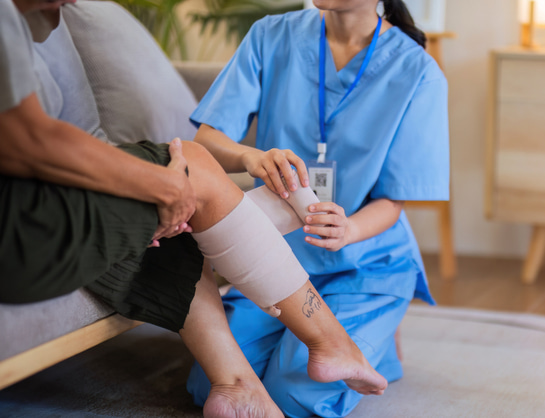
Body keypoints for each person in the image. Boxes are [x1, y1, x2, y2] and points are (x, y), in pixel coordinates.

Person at [0, 0, 389, 416]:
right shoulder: (271, 34)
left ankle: (240, 386)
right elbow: (27, 140)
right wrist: (184, 179)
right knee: (191, 172)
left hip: (365, 254)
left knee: (189, 192)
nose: (76, 4)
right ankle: (327, 339)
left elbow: (398, 195)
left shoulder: (410, 65)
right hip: (21, 223)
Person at [185, 0, 450, 416]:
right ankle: (370, 340)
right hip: (274, 259)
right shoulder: (271, 35)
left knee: (295, 393)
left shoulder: (417, 71)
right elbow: (208, 139)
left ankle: (377, 335)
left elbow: (392, 201)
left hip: (364, 261)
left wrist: (349, 231)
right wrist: (250, 157)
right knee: (211, 383)